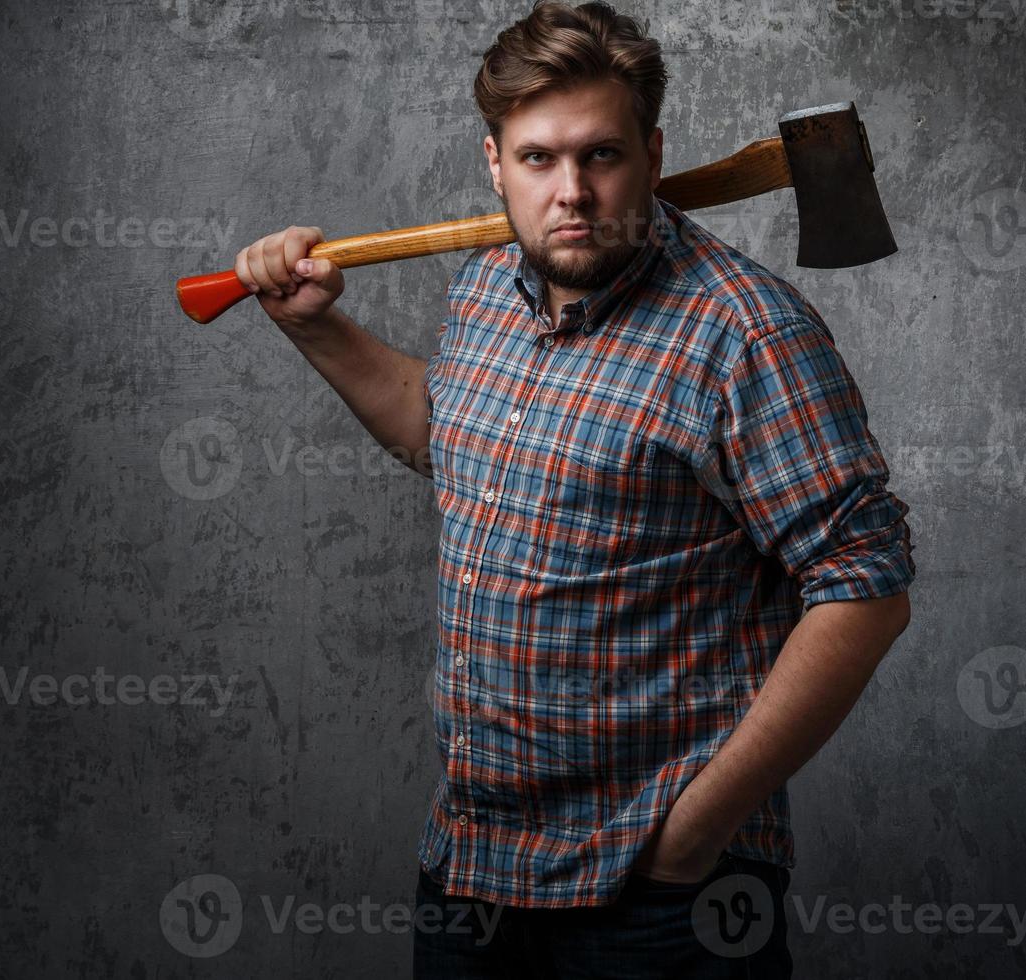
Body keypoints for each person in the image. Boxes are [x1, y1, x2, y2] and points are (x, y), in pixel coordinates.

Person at [232, 2, 915, 976]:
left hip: (658, 896)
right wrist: (314, 328)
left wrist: (692, 832)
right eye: (540, 158)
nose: (573, 192)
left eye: (601, 155)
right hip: (471, 871)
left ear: (652, 150)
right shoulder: (483, 286)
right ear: (494, 163)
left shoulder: (744, 333)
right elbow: (447, 435)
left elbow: (866, 583)